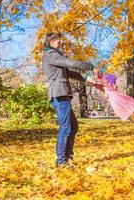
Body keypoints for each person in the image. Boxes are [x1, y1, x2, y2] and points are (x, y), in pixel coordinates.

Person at [42, 32, 94, 168]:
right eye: (57, 40)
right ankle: (61, 160)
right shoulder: (51, 54)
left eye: (60, 39)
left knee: (73, 126)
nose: (60, 42)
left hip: (63, 94)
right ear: (50, 42)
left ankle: (67, 156)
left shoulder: (55, 56)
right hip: (58, 93)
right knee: (65, 127)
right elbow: (69, 63)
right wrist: (87, 65)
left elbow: (69, 72)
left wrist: (86, 79)